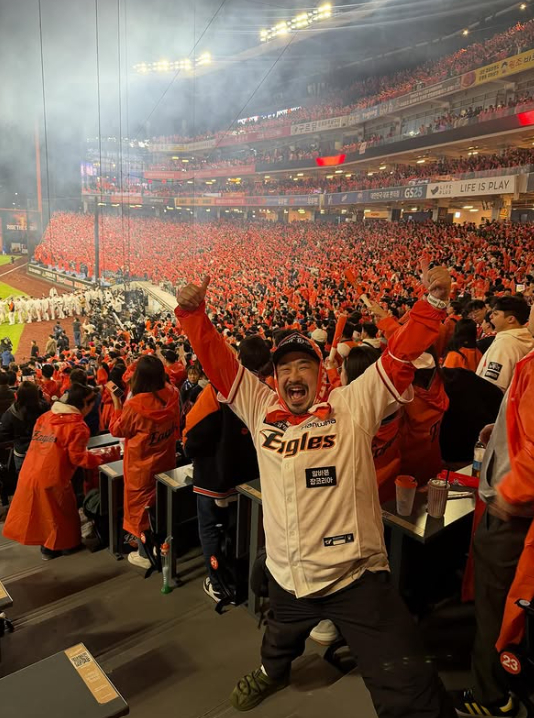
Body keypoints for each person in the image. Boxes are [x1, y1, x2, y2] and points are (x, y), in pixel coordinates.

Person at [176, 269, 456, 717]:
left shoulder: (352, 404)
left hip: (354, 577)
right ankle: (272, 672)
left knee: (408, 683)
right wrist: (193, 316)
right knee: (278, 637)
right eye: (284, 367)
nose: (293, 374)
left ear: (320, 374)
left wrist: (432, 306)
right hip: (287, 574)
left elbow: (398, 358)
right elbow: (219, 362)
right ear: (274, 378)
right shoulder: (260, 406)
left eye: (303, 365)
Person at [452, 348, 534, 718]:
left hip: (514, 516)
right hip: (516, 510)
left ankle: (491, 696)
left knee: (495, 607)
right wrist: (500, 431)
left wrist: (509, 496)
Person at [184, 336, 267, 604]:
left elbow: (193, 436)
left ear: (239, 359)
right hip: (251, 480)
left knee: (210, 530)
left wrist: (189, 452)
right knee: (239, 530)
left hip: (215, 479)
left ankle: (219, 584)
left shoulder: (218, 390)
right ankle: (242, 579)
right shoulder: (268, 390)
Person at [2, 384, 103, 559]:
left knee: (42, 513)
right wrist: (101, 458)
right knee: (62, 515)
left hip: (30, 470)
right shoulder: (77, 426)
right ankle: (63, 546)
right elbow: (78, 458)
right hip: (54, 476)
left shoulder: (46, 417)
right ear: (85, 405)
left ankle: (47, 549)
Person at [109, 356, 181, 569]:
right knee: (160, 504)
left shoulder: (134, 405)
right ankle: (161, 545)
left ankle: (144, 554)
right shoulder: (173, 394)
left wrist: (116, 403)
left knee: (140, 510)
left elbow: (117, 429)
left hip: (140, 466)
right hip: (166, 460)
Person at [476, 296, 534, 391]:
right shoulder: (525, 337)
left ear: (511, 319)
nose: (490, 317)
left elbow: (492, 387)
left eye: (495, 314)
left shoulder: (505, 344)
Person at [0, 381, 48, 473]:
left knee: (23, 476)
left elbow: (4, 432)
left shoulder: (12, 412)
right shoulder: (45, 408)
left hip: (21, 450)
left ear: (18, 394)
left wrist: (15, 439)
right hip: (42, 448)